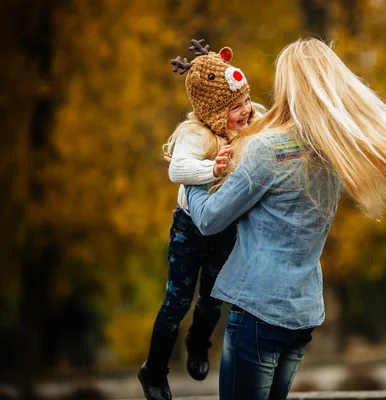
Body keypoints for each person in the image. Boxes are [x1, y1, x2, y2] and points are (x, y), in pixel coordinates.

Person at [185, 38, 386, 399]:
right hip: (302, 313)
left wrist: (193, 178)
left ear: (288, 86)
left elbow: (209, 220)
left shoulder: (268, 150)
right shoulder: (334, 151)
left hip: (259, 311)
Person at [138, 39, 264, 400]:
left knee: (212, 299)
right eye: (235, 107)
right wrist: (213, 167)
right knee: (177, 301)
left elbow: (272, 126)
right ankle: (155, 371)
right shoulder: (194, 134)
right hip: (189, 230)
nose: (245, 112)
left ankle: (198, 343)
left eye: (245, 102)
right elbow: (177, 169)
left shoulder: (250, 119)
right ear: (211, 110)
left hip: (224, 228)